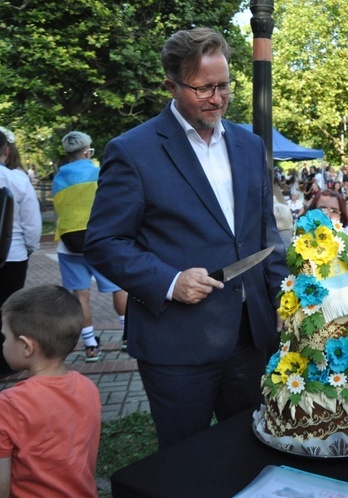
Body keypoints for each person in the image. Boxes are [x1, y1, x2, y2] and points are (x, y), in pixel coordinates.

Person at [83, 27, 288, 448]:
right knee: (185, 463)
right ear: (171, 85)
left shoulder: (249, 146)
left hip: (252, 339)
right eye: (204, 88)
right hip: (176, 346)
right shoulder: (132, 150)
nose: (217, 98)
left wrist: (282, 302)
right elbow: (103, 243)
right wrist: (170, 281)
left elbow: (264, 235)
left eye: (224, 86)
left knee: (253, 450)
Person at [0, 285, 101, 497]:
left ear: (26, 346)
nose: (3, 344)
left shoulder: (9, 405)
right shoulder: (88, 387)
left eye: (5, 337)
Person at [53, 131, 128, 361]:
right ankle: (128, 336)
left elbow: (59, 209)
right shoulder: (99, 173)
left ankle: (90, 346)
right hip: (100, 241)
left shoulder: (58, 178)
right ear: (87, 151)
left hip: (69, 244)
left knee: (81, 296)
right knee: (119, 287)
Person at [0, 130, 41, 378]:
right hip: (11, 256)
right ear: (6, 150)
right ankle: (5, 362)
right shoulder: (16, 179)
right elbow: (32, 222)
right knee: (8, 309)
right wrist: (30, 247)